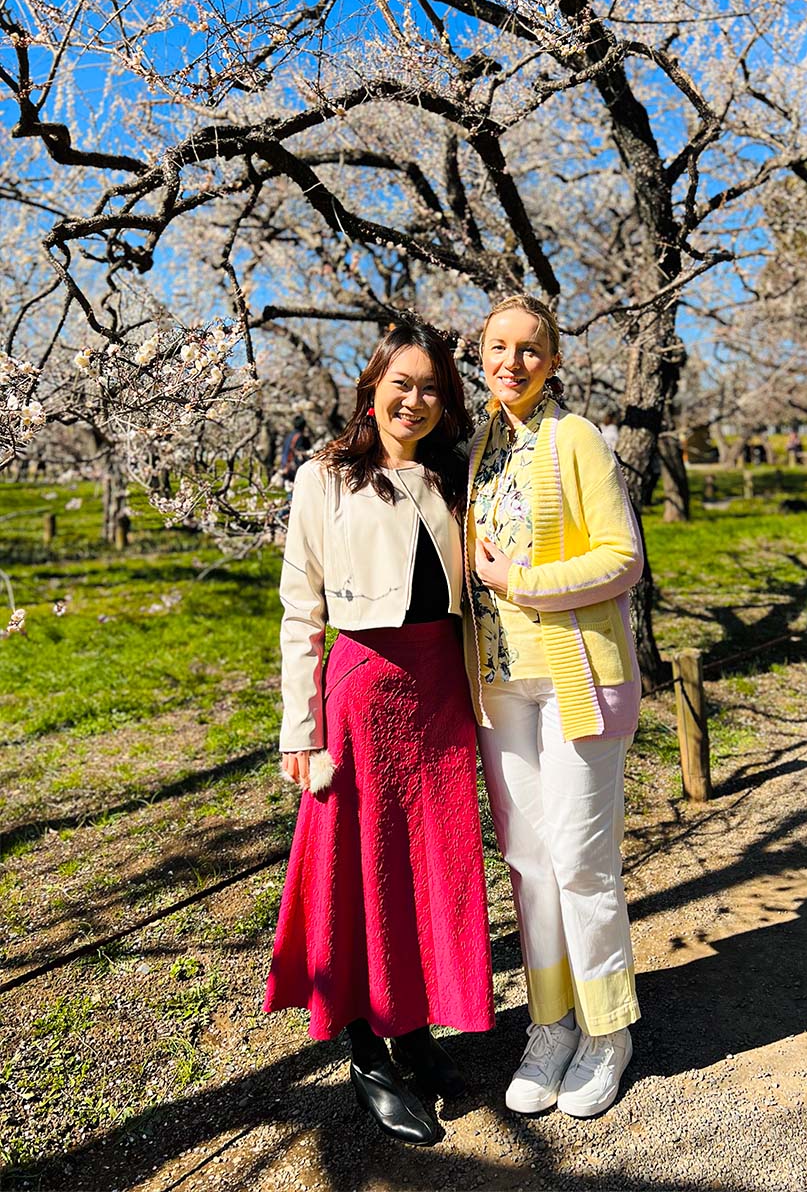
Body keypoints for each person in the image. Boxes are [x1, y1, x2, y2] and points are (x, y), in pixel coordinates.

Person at [265, 322, 495, 1146]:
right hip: (363, 692)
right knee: (358, 868)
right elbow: (302, 609)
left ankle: (415, 1029)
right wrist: (302, 730)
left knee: (429, 867)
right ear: (373, 385)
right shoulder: (325, 476)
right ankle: (366, 1049)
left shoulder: (453, 475)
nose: (416, 400)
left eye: (433, 387)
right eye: (402, 382)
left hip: (441, 693)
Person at [463, 294, 643, 1119]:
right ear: (481, 354)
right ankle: (552, 1022)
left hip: (578, 679)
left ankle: (609, 1029)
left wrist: (522, 583)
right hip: (501, 686)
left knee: (580, 860)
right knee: (530, 866)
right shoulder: (479, 450)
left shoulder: (574, 438)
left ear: (555, 359)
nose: (512, 362)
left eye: (530, 349)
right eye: (498, 347)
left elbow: (623, 559)